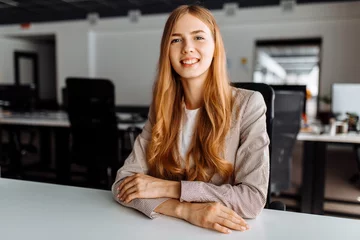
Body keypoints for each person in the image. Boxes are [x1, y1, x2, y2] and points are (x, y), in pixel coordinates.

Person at [112, 5, 269, 234]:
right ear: (167, 51)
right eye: (176, 40)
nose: (187, 48)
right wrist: (184, 210)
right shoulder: (162, 108)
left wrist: (169, 188)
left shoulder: (248, 105)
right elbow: (122, 185)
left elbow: (252, 200)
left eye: (198, 37)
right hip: (168, 229)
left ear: (215, 47)